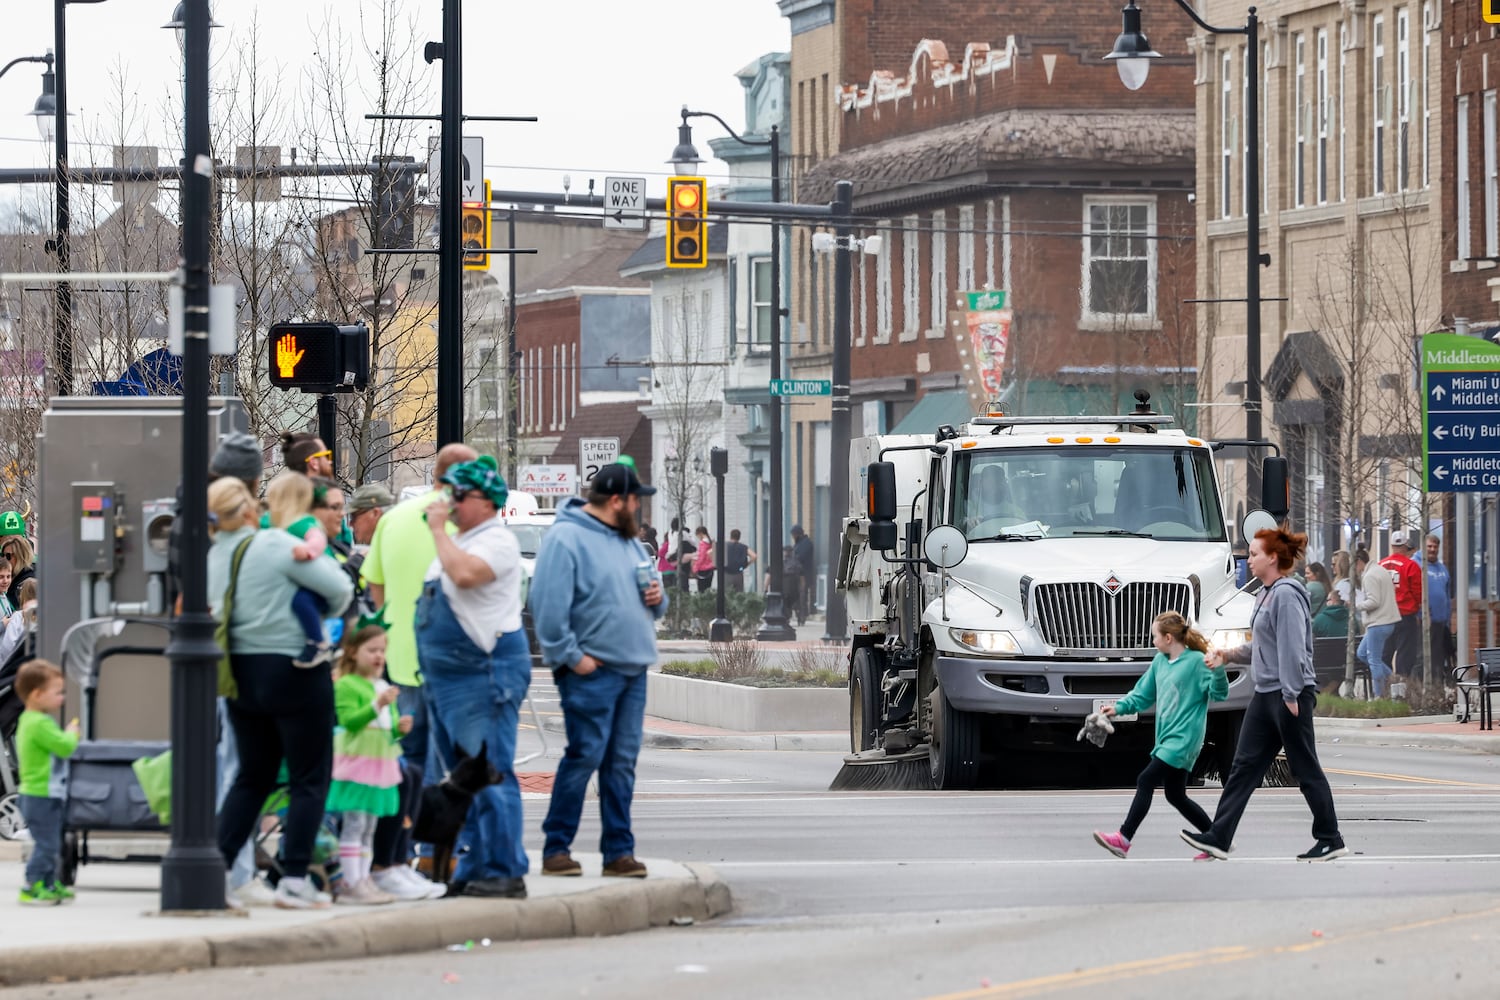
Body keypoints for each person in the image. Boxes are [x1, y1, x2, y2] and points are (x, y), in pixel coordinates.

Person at [211, 470, 355, 910]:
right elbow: (340, 588)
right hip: (294, 669)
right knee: (309, 778)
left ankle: (215, 871)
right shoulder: (273, 544)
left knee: (251, 777)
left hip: (238, 673)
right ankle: (294, 878)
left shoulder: (214, 555)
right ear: (252, 510)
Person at [532, 462, 667, 880]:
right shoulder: (566, 538)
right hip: (592, 671)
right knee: (585, 755)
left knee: (621, 763)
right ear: (616, 501)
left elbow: (654, 604)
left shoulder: (627, 541)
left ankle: (618, 853)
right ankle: (557, 848)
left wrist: (658, 597)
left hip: (632, 669)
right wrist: (573, 658)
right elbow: (547, 608)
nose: (639, 510)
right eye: (635, 501)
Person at [1181, 527, 1348, 862]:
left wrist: (1290, 696)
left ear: (1273, 558)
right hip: (1266, 693)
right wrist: (1226, 655)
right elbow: (1264, 645)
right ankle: (1220, 836)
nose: (1250, 559)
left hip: (1288, 694)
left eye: (1255, 553)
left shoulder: (1287, 594)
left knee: (1304, 767)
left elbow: (1292, 649)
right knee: (1243, 767)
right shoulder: (1265, 594)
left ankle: (1330, 838)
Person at [416, 457, 530, 899]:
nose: (451, 504)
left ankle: (504, 868)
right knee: (463, 781)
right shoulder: (465, 540)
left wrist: (439, 531)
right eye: (450, 495)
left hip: (482, 677)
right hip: (449, 681)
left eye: (459, 497)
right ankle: (477, 865)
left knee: (490, 773)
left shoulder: (496, 541)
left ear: (486, 502)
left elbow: (463, 576)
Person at [363, 443, 477, 762]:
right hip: (456, 656)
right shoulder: (468, 519)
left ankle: (410, 813)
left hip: (402, 658)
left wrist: (392, 625)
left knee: (409, 755)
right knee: (455, 759)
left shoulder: (393, 518)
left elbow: (374, 581)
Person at [1092, 611, 1228, 859]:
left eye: (1154, 636)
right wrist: (1118, 707)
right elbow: (1142, 694)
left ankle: (1123, 838)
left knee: (1146, 780)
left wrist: (1219, 671)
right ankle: (1216, 839)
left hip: (1184, 740)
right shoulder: (1160, 662)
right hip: (1166, 739)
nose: (1152, 641)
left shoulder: (1197, 662)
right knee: (1175, 795)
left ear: (1168, 638)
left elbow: (1219, 694)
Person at [327, 625, 410, 905]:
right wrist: (377, 705)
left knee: (370, 825)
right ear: (352, 651)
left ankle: (364, 879)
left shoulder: (381, 686)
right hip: (357, 762)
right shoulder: (347, 684)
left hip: (380, 763)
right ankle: (351, 882)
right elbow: (350, 721)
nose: (378, 657)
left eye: (382, 651)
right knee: (355, 822)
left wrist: (400, 728)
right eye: (371, 650)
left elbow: (387, 728)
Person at [13, 659, 78, 906]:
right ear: (37, 694)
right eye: (58, 692)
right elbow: (64, 747)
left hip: (36, 793)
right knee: (48, 844)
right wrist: (72, 733)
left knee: (51, 842)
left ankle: (49, 883)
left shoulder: (28, 720)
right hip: (42, 793)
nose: (62, 698)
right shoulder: (40, 723)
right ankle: (32, 885)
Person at [264, 473, 337, 668]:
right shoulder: (270, 521)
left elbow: (318, 539)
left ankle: (317, 642)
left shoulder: (303, 522)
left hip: (319, 581)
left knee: (301, 601)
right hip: (300, 579)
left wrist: (309, 551)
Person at [1354, 547, 1399, 698]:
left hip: (1377, 622)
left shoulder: (1369, 576)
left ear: (1359, 562)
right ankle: (1392, 678)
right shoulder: (1380, 570)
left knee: (1374, 659)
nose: (1354, 570)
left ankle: (1378, 695)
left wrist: (1356, 606)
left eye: (1354, 566)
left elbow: (1374, 601)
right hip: (1387, 621)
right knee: (1362, 653)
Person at [1379, 530, 1423, 678]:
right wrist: (1417, 610)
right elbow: (1418, 593)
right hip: (1405, 616)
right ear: (1405, 546)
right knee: (1405, 655)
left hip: (1385, 616)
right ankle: (1400, 688)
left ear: (1392, 546)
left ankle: (1384, 687)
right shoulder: (1411, 566)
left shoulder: (1380, 565)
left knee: (1385, 653)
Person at [1423, 533, 1454, 678]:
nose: (1432, 549)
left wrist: (1448, 619)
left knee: (1438, 658)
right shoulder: (1418, 564)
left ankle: (1437, 689)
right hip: (1424, 621)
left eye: (1435, 546)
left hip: (1441, 622)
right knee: (1421, 658)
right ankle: (1417, 689)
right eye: (1429, 546)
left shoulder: (1442, 568)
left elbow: (1447, 595)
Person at [0, 514, 36, 611]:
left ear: (20, 555)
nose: (4, 560)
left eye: (8, 556)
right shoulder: (13, 575)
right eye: (2, 555)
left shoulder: (28, 582)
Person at [347, 484, 394, 549]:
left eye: (354, 517)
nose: (350, 524)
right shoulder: (386, 547)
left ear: (375, 513)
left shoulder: (394, 549)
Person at [791, 525, 815, 623]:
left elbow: (800, 557)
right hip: (796, 573)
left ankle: (803, 613)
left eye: (793, 535)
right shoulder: (799, 543)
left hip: (804, 573)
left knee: (803, 593)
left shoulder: (806, 543)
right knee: (799, 593)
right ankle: (800, 612)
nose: (793, 537)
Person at [692, 526, 715, 593]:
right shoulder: (711, 543)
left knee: (701, 590)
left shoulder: (703, 543)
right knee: (708, 589)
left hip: (703, 569)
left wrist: (695, 567)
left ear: (700, 533)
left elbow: (701, 557)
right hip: (710, 568)